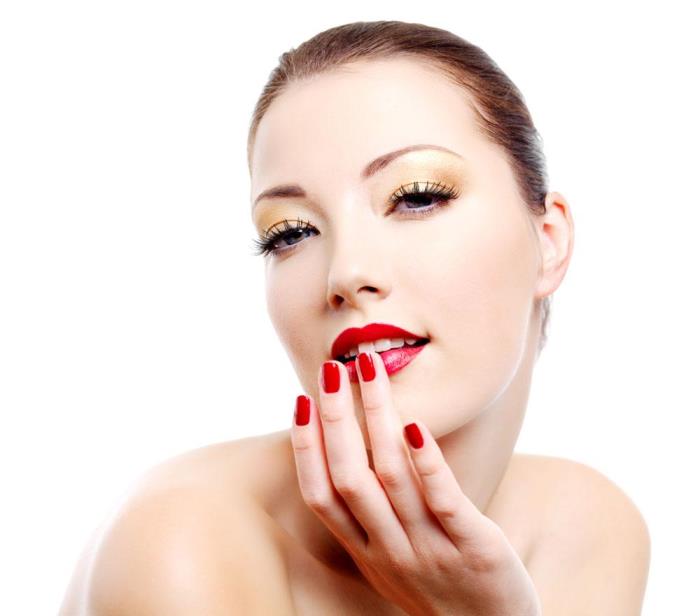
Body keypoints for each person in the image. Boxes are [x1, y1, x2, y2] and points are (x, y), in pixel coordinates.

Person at [59, 20, 650, 615]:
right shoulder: (181, 547)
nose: (345, 272)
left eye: (417, 196)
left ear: (549, 242)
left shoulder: (583, 529)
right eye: (291, 232)